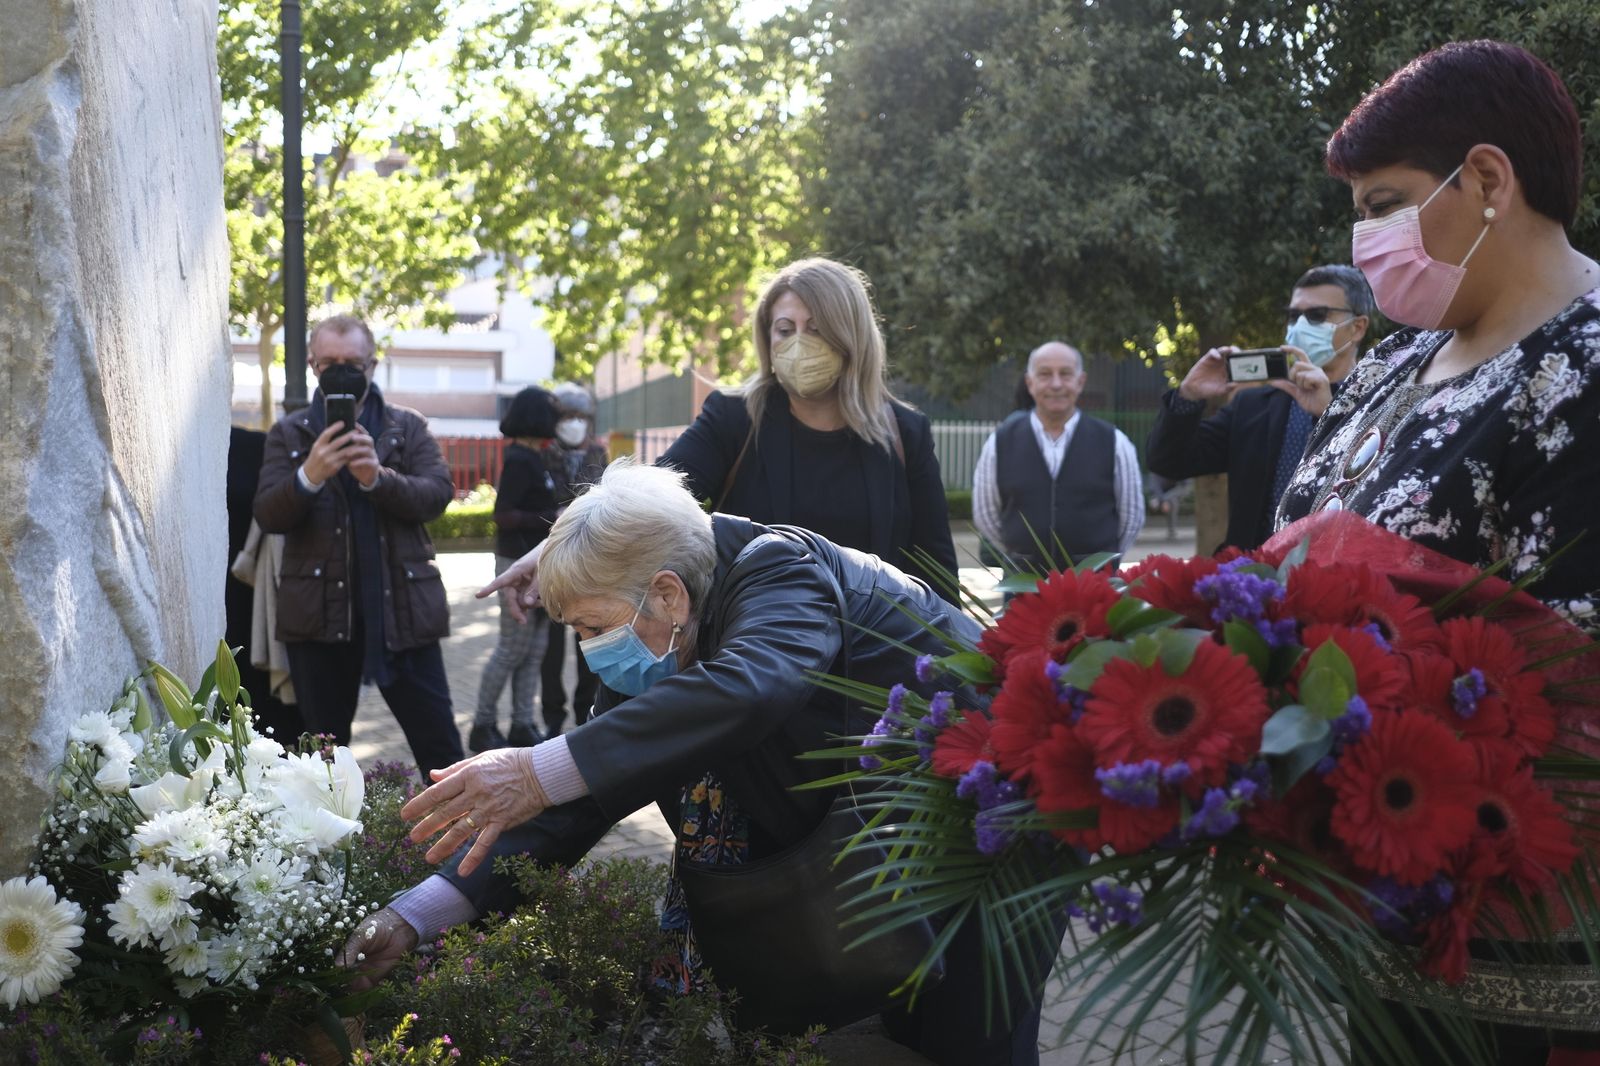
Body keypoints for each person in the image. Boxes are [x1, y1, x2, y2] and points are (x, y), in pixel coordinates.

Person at [339, 461, 1058, 1065]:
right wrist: (415, 915)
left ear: (668, 594)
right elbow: (587, 792)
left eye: (593, 627)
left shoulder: (780, 572)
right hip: (886, 868)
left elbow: (752, 686)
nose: (591, 650)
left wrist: (534, 767)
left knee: (968, 1044)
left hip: (988, 849)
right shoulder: (665, 638)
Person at [1273, 40, 1600, 1061]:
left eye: (1385, 202)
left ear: (1489, 180)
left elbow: (1568, 679)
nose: (1365, 237)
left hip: (1515, 924)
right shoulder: (1391, 369)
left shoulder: (1583, 363)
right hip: (1365, 896)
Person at [658, 257, 958, 591]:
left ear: (850, 336)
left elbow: (937, 573)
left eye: (816, 329)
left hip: (874, 640)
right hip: (760, 636)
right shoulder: (733, 417)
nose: (799, 343)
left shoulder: (905, 432)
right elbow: (655, 504)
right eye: (785, 330)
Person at [253, 315, 465, 776]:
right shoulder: (289, 434)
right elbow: (268, 514)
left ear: (372, 365)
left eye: (353, 362)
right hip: (318, 622)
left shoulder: (407, 428)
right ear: (312, 365)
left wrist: (377, 479)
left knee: (441, 749)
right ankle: (330, 848)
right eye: (330, 362)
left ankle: (467, 845)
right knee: (322, 764)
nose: (342, 371)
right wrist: (309, 476)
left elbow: (437, 495)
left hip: (404, 615)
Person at [1145, 265, 1375, 553]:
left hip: (1339, 576)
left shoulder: (1380, 399)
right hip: (1256, 579)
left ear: (1357, 327)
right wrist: (1188, 395)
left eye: (1316, 315)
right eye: (1293, 316)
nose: (1300, 326)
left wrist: (1329, 414)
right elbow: (1169, 462)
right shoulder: (1254, 405)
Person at [971, 342, 1145, 568]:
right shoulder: (1000, 442)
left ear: (1080, 381)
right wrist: (1019, 554)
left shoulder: (1114, 442)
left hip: (1095, 586)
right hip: (1024, 584)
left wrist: (1102, 561)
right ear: (1030, 383)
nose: (1056, 384)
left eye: (1065, 374)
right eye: (1045, 374)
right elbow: (986, 514)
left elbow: (1131, 517)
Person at [470, 386, 561, 752]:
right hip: (516, 564)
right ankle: (482, 725)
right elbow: (504, 514)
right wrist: (549, 518)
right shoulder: (521, 460)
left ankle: (523, 723)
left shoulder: (533, 457)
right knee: (511, 648)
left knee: (534, 650)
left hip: (538, 564)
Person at [537, 382, 607, 733]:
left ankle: (586, 714)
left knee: (590, 641)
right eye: (567, 417)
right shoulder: (542, 454)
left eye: (580, 417)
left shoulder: (599, 454)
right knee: (549, 651)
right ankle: (552, 718)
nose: (574, 423)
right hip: (550, 564)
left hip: (590, 566)